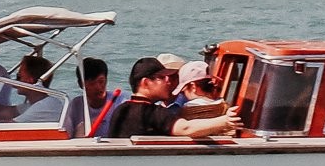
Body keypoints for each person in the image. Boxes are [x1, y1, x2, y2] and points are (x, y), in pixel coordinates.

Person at [105, 57, 237, 139]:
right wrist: (225, 121)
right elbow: (186, 129)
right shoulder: (153, 113)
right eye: (162, 77)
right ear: (145, 82)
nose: (168, 81)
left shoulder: (120, 110)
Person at [59, 57, 122, 137]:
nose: (98, 87)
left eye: (101, 81)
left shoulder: (120, 101)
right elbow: (66, 135)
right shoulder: (76, 105)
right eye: (91, 83)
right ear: (81, 84)